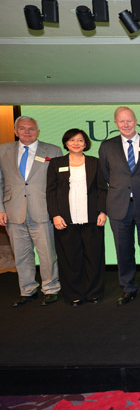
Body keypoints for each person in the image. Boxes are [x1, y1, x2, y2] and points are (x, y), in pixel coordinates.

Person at [99, 106, 140, 305]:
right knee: (123, 249)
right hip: (119, 206)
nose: (126, 125)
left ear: (135, 121)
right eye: (121, 121)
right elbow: (105, 174)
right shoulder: (107, 146)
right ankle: (128, 288)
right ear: (116, 123)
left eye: (129, 120)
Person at [0, 116, 62, 307]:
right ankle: (27, 290)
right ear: (16, 131)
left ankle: (51, 289)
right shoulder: (3, 150)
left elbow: (58, 184)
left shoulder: (53, 150)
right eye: (23, 128)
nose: (27, 132)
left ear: (38, 132)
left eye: (31, 129)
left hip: (42, 210)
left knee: (47, 253)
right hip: (13, 211)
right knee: (21, 254)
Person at [46, 129, 107, 306]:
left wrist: (103, 211)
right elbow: (50, 191)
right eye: (72, 140)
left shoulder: (95, 162)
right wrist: (55, 215)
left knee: (93, 257)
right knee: (70, 258)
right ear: (66, 143)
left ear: (86, 144)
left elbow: (102, 189)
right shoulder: (57, 163)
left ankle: (94, 292)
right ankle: (74, 294)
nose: (76, 143)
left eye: (80, 140)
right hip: (65, 220)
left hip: (92, 218)